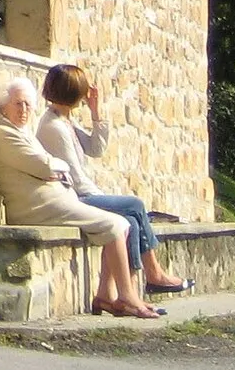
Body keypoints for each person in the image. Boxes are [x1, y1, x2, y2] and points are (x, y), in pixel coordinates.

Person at [0, 78, 159, 318]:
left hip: (56, 201)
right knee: (116, 223)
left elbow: (68, 161)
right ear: (3, 106)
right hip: (40, 208)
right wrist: (56, 170)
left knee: (124, 222)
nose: (24, 110)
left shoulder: (23, 132)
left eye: (28, 104)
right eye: (18, 104)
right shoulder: (6, 134)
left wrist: (56, 169)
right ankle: (128, 295)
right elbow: (48, 166)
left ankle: (109, 296)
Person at [37, 63, 193, 295]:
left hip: (81, 193)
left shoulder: (64, 120)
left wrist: (96, 112)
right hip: (74, 198)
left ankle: (117, 294)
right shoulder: (54, 126)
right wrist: (104, 198)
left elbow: (96, 148)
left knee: (130, 218)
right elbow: (76, 179)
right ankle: (153, 274)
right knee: (134, 205)